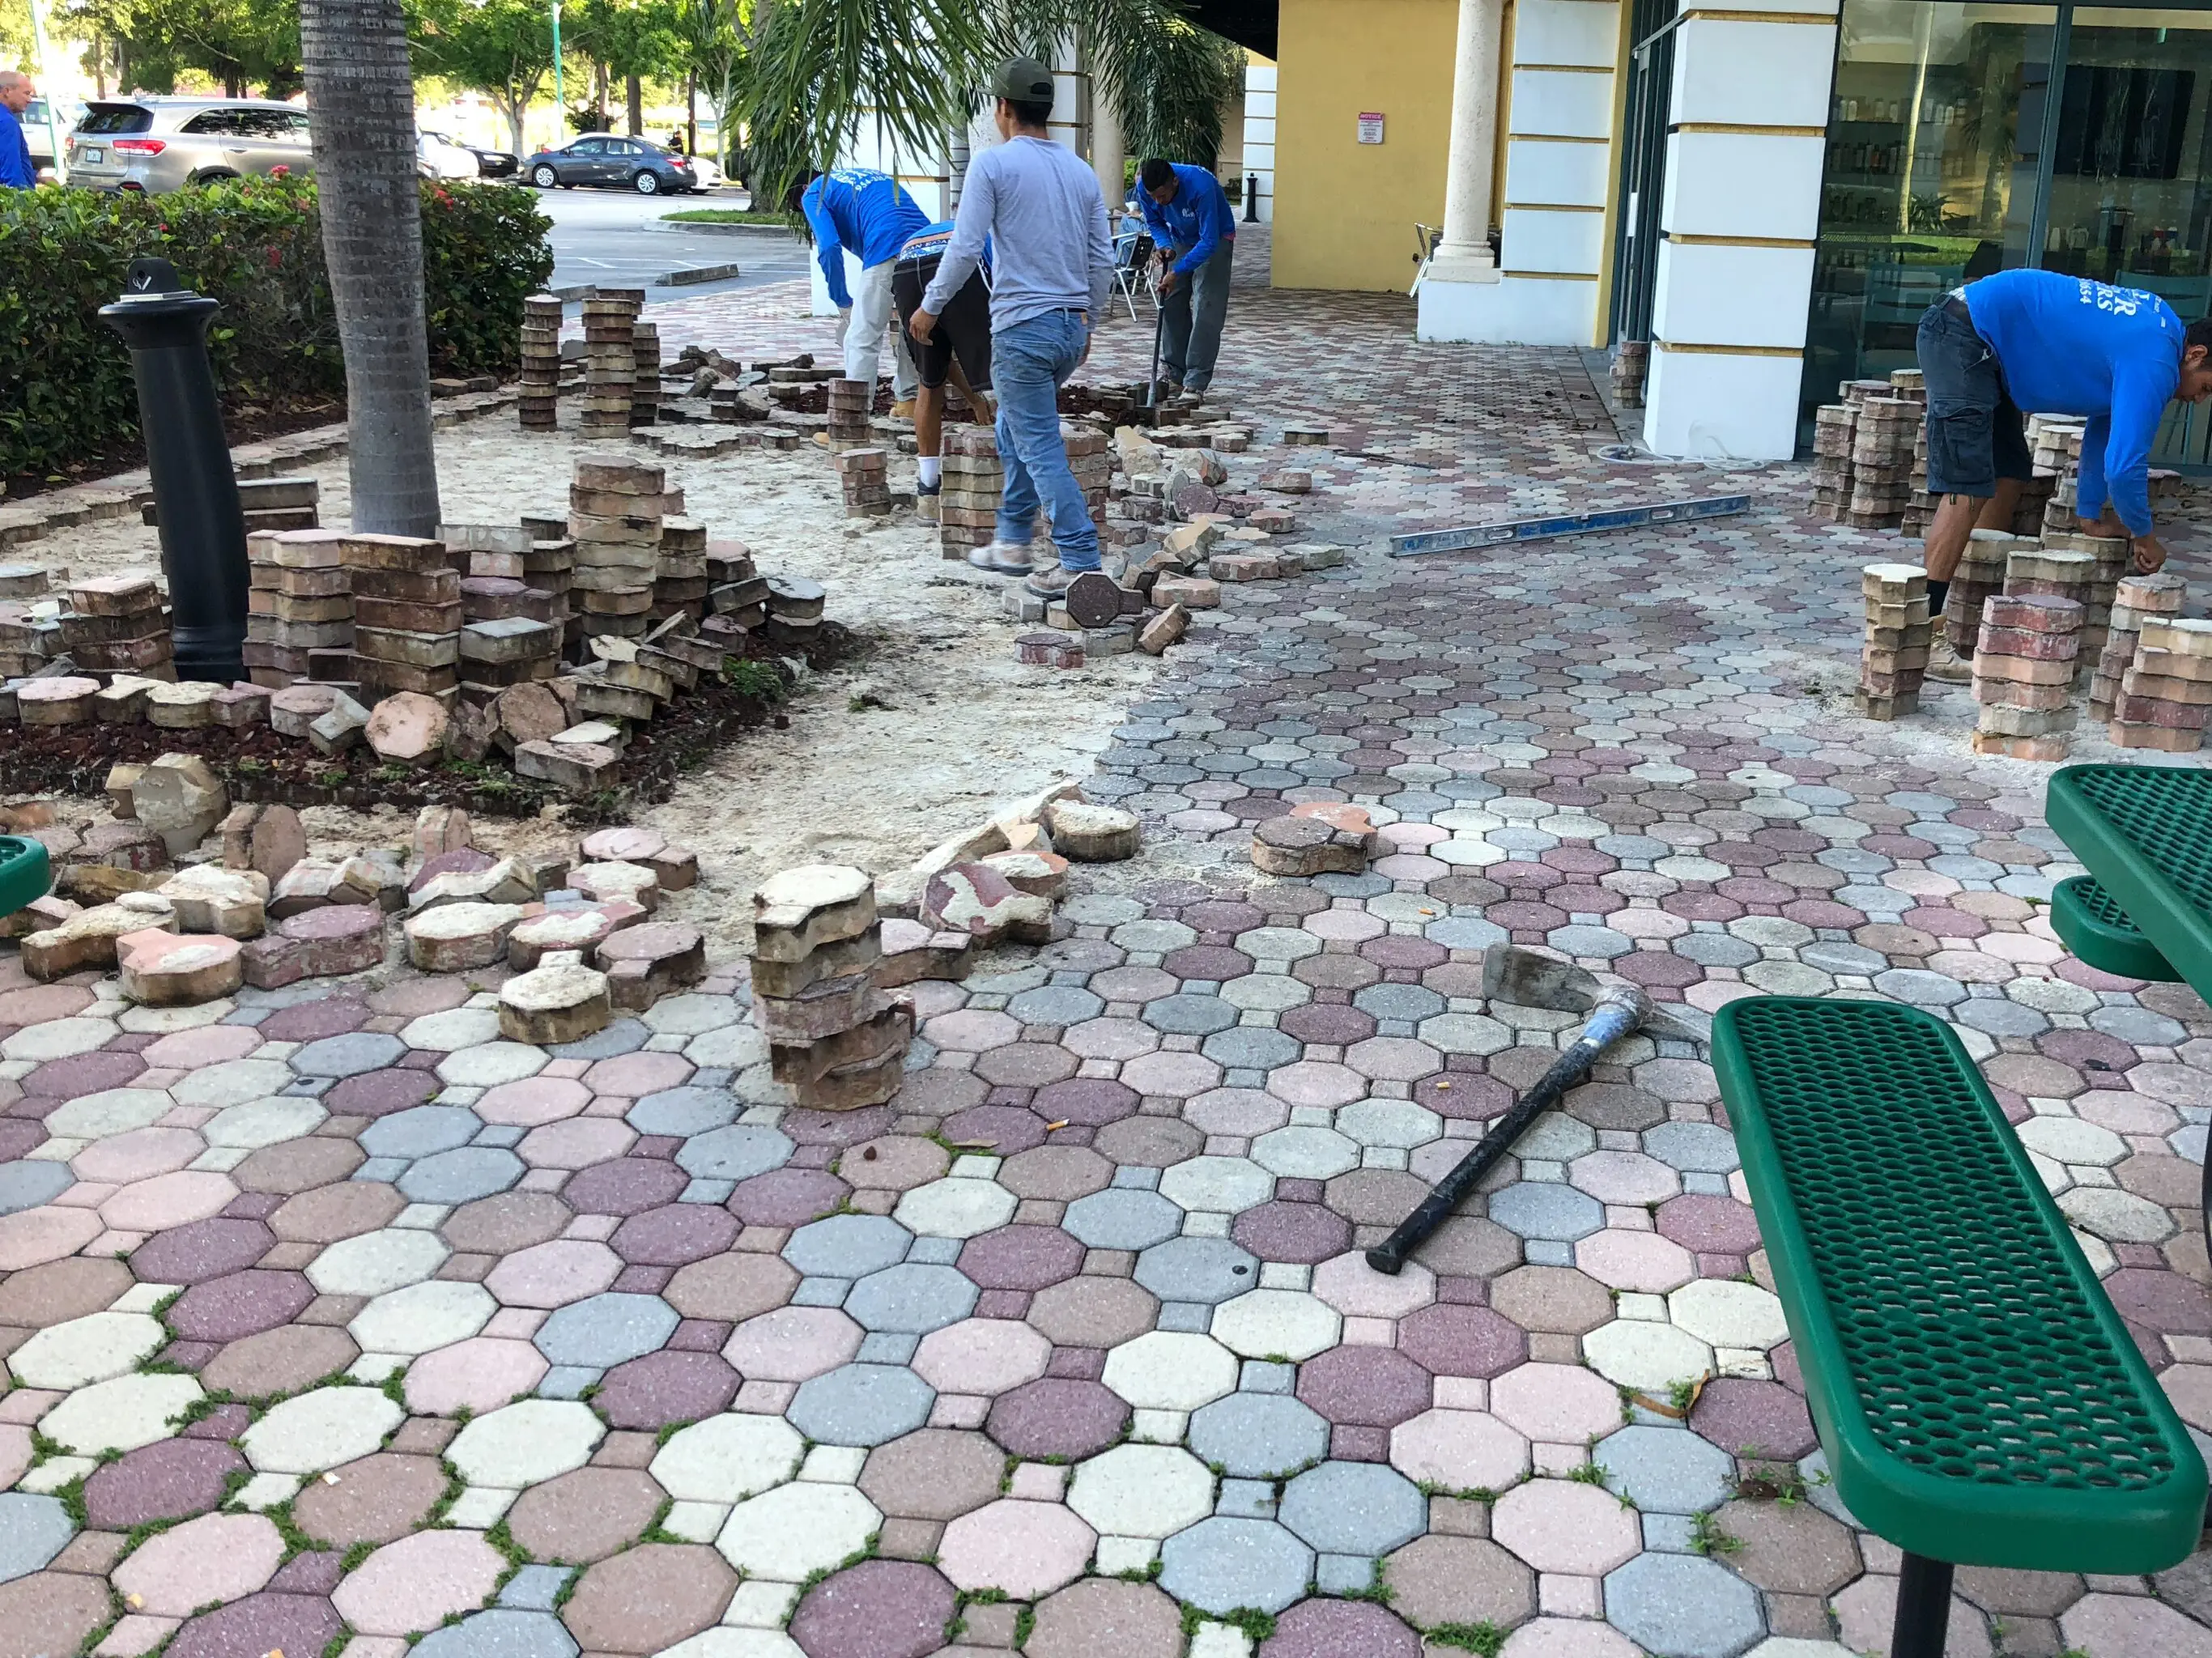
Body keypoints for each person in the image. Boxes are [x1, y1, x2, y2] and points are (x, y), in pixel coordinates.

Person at [1916, 269, 2212, 682]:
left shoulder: (2158, 329)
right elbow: (2126, 467)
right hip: (1964, 335)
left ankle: (1977, 612)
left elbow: (2103, 426)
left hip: (1985, 345)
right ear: (2195, 356)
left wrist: (2089, 512)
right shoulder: (2156, 359)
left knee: (2009, 473)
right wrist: (2146, 537)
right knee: (1966, 488)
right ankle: (1921, 634)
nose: (2198, 400)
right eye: (2206, 387)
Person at [910, 57, 1113, 597]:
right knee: (1013, 431)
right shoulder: (1081, 171)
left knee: (1039, 445)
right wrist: (1087, 320)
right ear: (1047, 109)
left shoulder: (993, 165)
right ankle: (1011, 541)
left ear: (1003, 109)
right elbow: (1101, 260)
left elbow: (964, 246)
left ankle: (1081, 564)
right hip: (1067, 330)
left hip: (1023, 332)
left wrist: (930, 306)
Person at [798, 167, 932, 418]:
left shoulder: (813, 192)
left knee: (861, 337)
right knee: (913, 329)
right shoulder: (857, 177)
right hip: (926, 247)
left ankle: (852, 418)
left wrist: (841, 300)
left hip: (886, 245)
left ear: (803, 188)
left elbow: (828, 246)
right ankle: (910, 402)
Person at [891, 219, 995, 516]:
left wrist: (975, 400)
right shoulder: (1001, 237)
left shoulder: (951, 225)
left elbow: (942, 360)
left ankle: (927, 492)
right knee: (1000, 377)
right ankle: (1009, 487)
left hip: (908, 265)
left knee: (929, 380)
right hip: (958, 262)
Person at [1137, 156, 1236, 402]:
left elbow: (1209, 241)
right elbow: (1155, 221)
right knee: (1169, 299)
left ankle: (1195, 381)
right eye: (1154, 197)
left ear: (1175, 181)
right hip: (1182, 237)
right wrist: (1164, 245)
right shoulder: (1145, 188)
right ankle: (1174, 374)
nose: (1159, 202)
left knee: (1206, 305)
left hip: (1215, 239)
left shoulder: (1200, 186)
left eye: (1163, 196)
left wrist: (1177, 271)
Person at [0, 71, 36, 190]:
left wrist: (36, 175)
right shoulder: (6, 122)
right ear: (7, 91)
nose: (30, 100)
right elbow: (12, 177)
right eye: (26, 93)